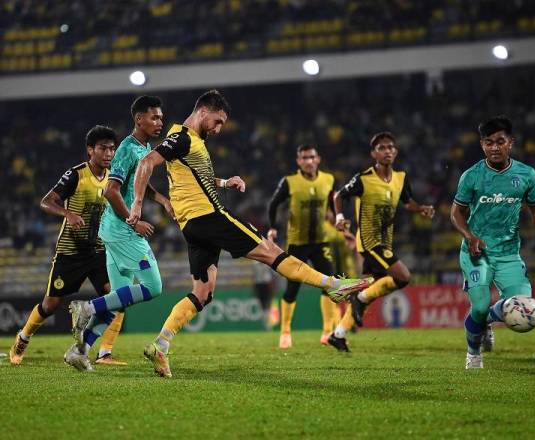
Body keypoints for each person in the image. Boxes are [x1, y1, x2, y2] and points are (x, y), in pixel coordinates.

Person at [127, 89, 372, 378]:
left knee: (203, 293)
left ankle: (160, 344)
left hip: (191, 225)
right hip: (209, 217)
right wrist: (137, 206)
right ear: (204, 111)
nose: (218, 129)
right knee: (272, 252)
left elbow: (189, 175)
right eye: (217, 122)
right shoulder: (182, 138)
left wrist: (224, 181)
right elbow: (146, 163)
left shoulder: (185, 140)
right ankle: (332, 284)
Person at [66, 96, 173, 371]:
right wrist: (133, 221)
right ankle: (87, 307)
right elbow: (111, 190)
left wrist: (160, 198)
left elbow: (136, 182)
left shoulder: (144, 147)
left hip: (112, 230)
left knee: (119, 298)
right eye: (154, 117)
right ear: (139, 119)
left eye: (161, 118)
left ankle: (80, 351)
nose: (159, 122)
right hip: (122, 229)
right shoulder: (126, 149)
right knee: (153, 287)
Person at [450, 115, 535, 369]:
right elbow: (455, 213)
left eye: (500, 141)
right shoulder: (472, 176)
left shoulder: (526, 174)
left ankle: (486, 321)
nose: (495, 147)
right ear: (482, 145)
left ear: (511, 142)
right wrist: (469, 236)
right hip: (476, 252)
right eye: (489, 143)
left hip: (509, 253)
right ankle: (473, 352)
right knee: (478, 307)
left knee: (525, 311)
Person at [9, 126, 120, 365]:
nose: (109, 153)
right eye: (103, 148)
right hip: (70, 252)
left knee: (117, 297)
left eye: (112, 148)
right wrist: (67, 213)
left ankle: (105, 353)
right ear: (90, 150)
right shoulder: (76, 175)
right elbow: (46, 202)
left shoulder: (114, 176)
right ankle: (23, 337)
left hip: (99, 251)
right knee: (51, 304)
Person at [329, 131, 435, 352]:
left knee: (370, 287)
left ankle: (338, 334)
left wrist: (421, 208)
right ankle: (357, 298)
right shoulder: (364, 178)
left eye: (390, 148)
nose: (387, 151)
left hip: (385, 242)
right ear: (373, 153)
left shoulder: (400, 178)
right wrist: (339, 217)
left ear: (395, 152)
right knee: (403, 277)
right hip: (369, 241)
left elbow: (407, 203)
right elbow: (339, 195)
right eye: (382, 148)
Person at [267, 144, 339, 348]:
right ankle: (285, 332)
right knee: (292, 289)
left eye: (311, 157)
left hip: (320, 241)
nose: (308, 161)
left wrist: (338, 217)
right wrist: (273, 227)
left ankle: (327, 332)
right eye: (304, 158)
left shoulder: (329, 179)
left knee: (330, 284)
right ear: (298, 161)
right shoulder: (290, 182)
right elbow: (273, 204)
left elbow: (333, 201)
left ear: (318, 159)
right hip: (297, 243)